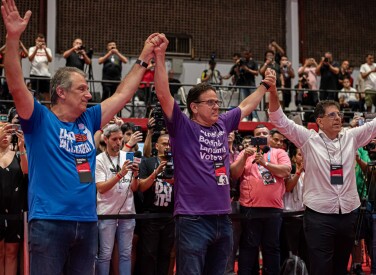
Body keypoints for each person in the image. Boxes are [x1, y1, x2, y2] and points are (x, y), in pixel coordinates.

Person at [1, 1, 162, 273]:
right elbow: (16, 84)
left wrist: (144, 57)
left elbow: (122, 94)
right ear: (61, 92)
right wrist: (13, 38)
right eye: (82, 89)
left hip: (88, 222)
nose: (89, 94)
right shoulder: (39, 118)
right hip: (49, 222)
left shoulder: (88, 119)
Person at [151, 33, 276, 275]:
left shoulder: (222, 124)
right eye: (210, 102)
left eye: (217, 101)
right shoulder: (182, 127)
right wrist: (160, 55)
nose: (216, 106)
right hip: (193, 219)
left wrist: (264, 86)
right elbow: (164, 95)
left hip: (223, 217)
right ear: (194, 107)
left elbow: (246, 105)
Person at [267, 77, 376, 275]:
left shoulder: (351, 137)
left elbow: (374, 125)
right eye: (332, 115)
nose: (338, 118)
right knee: (321, 268)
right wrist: (273, 92)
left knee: (341, 267)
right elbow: (278, 119)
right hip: (319, 216)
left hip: (348, 214)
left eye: (339, 114)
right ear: (319, 121)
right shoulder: (309, 139)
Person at [230, 125, 291, 275]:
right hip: (250, 208)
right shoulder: (246, 153)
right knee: (248, 246)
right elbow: (234, 174)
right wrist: (244, 157)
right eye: (258, 134)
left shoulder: (279, 152)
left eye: (265, 133)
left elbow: (286, 171)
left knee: (272, 247)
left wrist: (265, 163)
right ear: (253, 138)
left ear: (270, 137)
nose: (262, 135)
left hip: (274, 208)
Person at [96, 124, 139, 275]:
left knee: (126, 254)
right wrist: (120, 174)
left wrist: (136, 176)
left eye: (120, 139)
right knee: (105, 255)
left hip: (128, 212)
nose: (118, 142)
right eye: (114, 139)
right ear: (106, 139)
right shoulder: (99, 160)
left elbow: (134, 187)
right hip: (106, 213)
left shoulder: (128, 156)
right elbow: (101, 187)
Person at [138, 134, 175, 275]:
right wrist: (156, 172)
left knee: (166, 254)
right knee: (148, 255)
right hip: (151, 215)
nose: (167, 147)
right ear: (157, 146)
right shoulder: (147, 162)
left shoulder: (177, 163)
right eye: (164, 144)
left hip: (170, 215)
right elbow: (141, 187)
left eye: (169, 144)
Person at [0, 121, 27, 275]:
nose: (5, 135)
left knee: (11, 252)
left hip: (15, 211)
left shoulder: (18, 153)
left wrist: (22, 148)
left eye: (8, 132)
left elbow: (26, 170)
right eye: (2, 131)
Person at [28, 33, 52, 102]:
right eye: (39, 41)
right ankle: (35, 109)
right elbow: (30, 58)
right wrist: (36, 49)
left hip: (45, 75)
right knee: (35, 93)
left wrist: (45, 50)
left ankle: (48, 111)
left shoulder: (48, 50)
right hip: (34, 74)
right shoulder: (32, 49)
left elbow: (50, 60)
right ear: (36, 41)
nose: (40, 43)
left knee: (47, 94)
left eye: (42, 41)